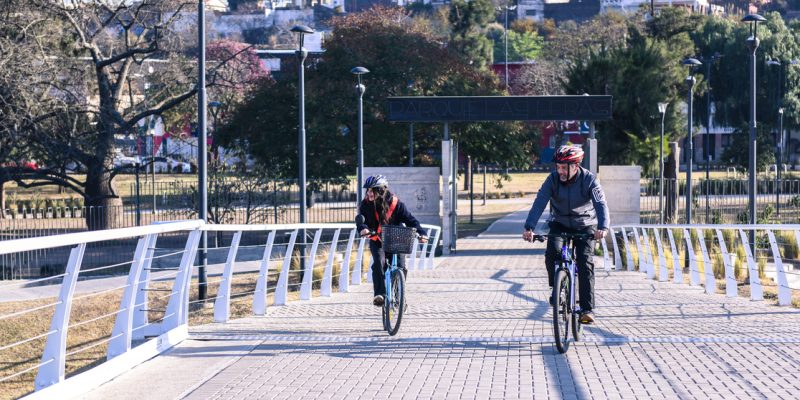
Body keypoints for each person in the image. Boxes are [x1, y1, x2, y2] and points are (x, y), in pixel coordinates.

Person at [522, 145, 610, 324]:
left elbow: (601, 204)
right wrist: (529, 227)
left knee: (585, 263)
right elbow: (540, 202)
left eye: (564, 167)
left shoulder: (589, 180)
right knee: (552, 252)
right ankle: (556, 287)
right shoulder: (552, 180)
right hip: (559, 223)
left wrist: (603, 227)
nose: (560, 171)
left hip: (585, 225)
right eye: (558, 167)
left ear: (575, 166)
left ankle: (587, 309)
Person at [356, 175, 428, 306]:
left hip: (397, 239)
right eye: (368, 190)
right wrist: (363, 229)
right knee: (378, 263)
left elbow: (410, 220)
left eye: (372, 190)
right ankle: (380, 295)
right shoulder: (365, 204)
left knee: (401, 267)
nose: (369, 193)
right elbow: (361, 220)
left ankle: (399, 295)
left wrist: (422, 233)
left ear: (381, 190)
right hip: (377, 239)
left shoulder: (396, 204)